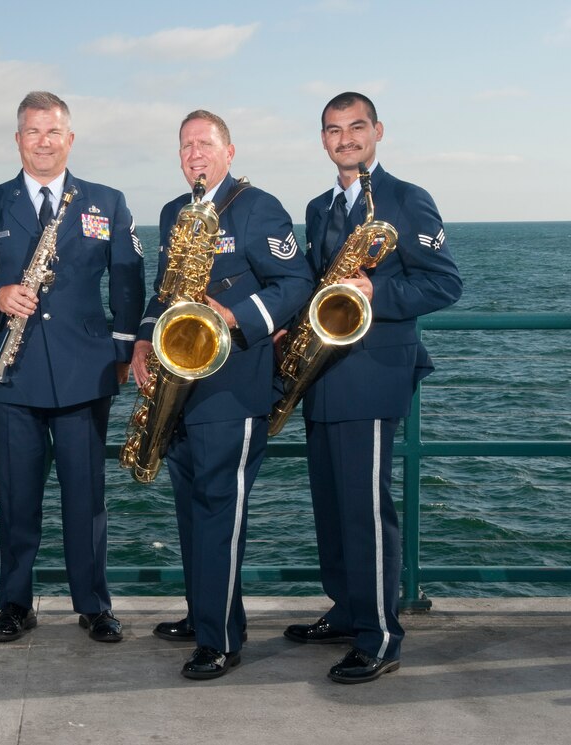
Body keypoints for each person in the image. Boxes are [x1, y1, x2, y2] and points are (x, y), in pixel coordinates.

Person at [0, 91, 145, 644]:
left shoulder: (106, 201)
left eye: (53, 132)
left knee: (87, 499)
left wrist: (126, 349)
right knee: (17, 497)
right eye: (33, 132)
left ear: (70, 139)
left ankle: (94, 604)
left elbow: (128, 279)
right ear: (17, 140)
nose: (43, 142)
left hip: (86, 373)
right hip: (15, 374)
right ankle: (14, 604)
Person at [282, 92, 462, 683]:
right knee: (331, 510)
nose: (346, 139)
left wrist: (374, 295)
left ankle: (381, 635)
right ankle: (347, 609)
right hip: (322, 375)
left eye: (357, 127)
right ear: (324, 140)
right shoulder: (316, 206)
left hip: (375, 375)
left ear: (378, 132)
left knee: (366, 511)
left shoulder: (409, 199)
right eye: (334, 130)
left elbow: (443, 285)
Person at [131, 110, 312, 680]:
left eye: (205, 144)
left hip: (232, 388)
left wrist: (234, 315)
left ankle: (221, 640)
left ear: (230, 152)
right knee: (191, 511)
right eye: (186, 147)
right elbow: (164, 292)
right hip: (178, 385)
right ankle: (202, 613)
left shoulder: (259, 208)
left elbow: (297, 282)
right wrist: (141, 342)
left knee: (219, 514)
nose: (195, 155)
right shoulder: (171, 213)